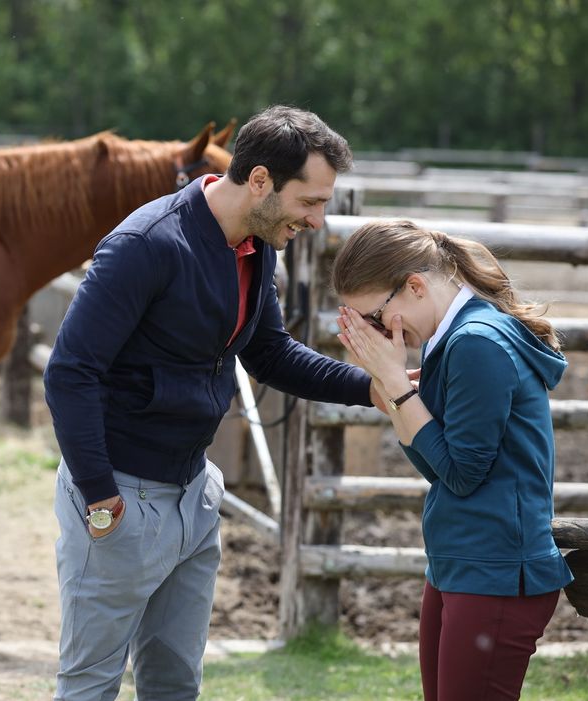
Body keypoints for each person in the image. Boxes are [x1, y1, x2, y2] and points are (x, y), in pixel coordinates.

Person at [43, 105, 383, 700]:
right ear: (259, 181)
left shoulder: (256, 247)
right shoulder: (145, 245)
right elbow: (71, 372)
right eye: (310, 202)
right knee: (90, 688)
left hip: (194, 497)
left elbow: (271, 354)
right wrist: (100, 496)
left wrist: (377, 386)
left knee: (176, 684)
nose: (319, 221)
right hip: (121, 497)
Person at [331, 219, 574, 701]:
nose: (377, 334)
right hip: (462, 565)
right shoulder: (452, 338)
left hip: (497, 571)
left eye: (375, 318)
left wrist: (397, 385)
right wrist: (391, 386)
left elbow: (461, 475)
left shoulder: (476, 342)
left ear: (415, 286)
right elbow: (435, 468)